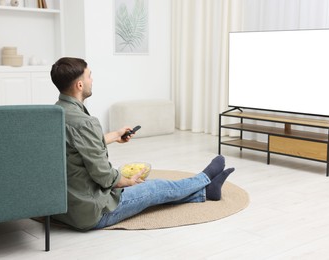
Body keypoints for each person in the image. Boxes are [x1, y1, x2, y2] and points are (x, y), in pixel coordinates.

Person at [50, 57, 235, 231]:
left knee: (155, 191)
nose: (92, 80)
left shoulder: (54, 115)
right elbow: (104, 176)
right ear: (80, 84)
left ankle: (207, 192)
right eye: (89, 76)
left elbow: (78, 145)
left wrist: (115, 135)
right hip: (92, 212)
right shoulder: (85, 123)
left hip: (65, 209)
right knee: (154, 188)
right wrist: (127, 182)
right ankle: (203, 178)